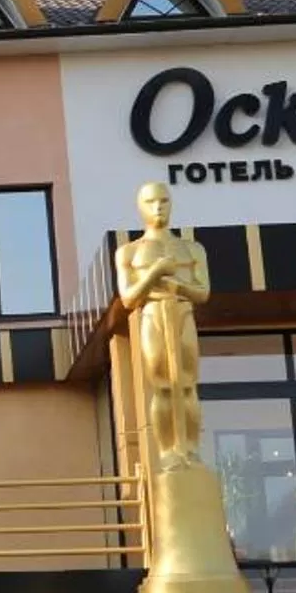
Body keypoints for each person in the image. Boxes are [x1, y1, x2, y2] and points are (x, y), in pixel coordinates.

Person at [114, 180, 212, 470]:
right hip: (153, 314)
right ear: (140, 207)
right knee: (163, 386)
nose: (158, 207)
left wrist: (177, 285)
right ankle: (169, 451)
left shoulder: (192, 248)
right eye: (151, 202)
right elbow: (129, 298)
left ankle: (190, 449)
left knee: (187, 385)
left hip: (182, 313)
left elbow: (203, 292)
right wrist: (155, 271)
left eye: (164, 201)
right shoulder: (129, 252)